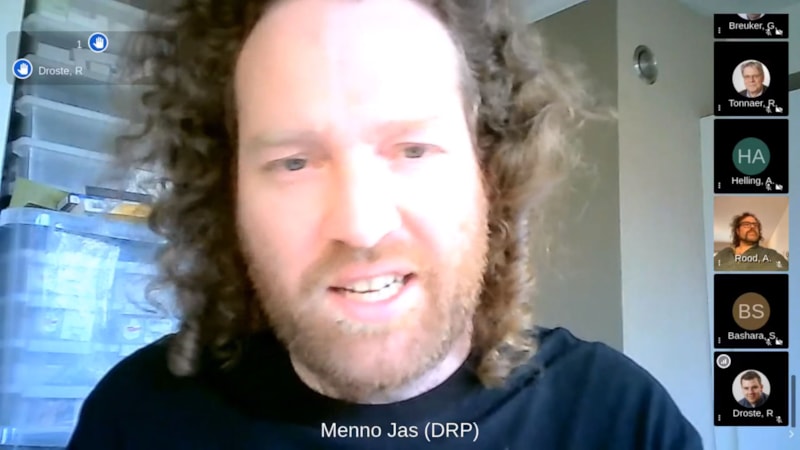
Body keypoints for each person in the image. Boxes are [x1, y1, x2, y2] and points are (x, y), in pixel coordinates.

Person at [67, 0, 703, 449]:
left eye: (414, 150)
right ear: (226, 193)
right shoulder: (137, 419)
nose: (362, 227)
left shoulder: (620, 421)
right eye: (294, 162)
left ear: (490, 173)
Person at [715, 212, 788, 271]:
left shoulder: (772, 255)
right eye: (746, 224)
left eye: (755, 225)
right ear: (738, 231)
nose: (752, 227)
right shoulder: (724, 254)